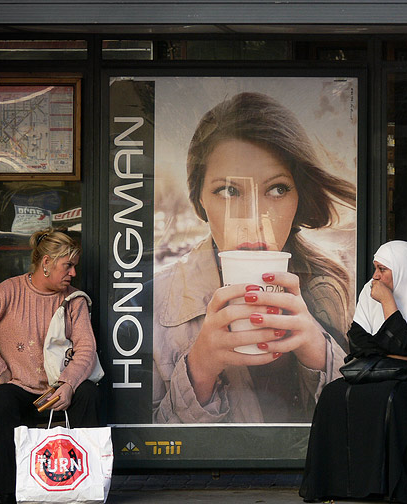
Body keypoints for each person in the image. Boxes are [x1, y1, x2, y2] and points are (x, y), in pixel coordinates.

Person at [153, 91, 356, 424]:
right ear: (200, 199)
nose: (252, 219)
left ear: (298, 198)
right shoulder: (154, 301)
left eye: (277, 189)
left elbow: (366, 425)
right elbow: (140, 447)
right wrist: (199, 370)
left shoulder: (341, 289)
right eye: (229, 191)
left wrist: (322, 355)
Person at [299, 240, 407, 504]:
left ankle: (390, 486)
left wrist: (388, 302)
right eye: (375, 268)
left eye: (383, 269)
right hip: (383, 370)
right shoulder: (369, 291)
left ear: (405, 270)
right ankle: (338, 485)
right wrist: (403, 355)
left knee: (394, 400)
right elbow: (358, 343)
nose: (375, 277)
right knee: (333, 394)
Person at [0, 228, 101, 504]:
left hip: (58, 388)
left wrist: (68, 385)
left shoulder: (75, 300)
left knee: (89, 394)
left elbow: (86, 349)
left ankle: (88, 483)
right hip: (20, 389)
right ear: (45, 263)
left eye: (74, 267)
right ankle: (10, 490)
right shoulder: (10, 291)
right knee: (2, 398)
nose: (72, 273)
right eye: (67, 266)